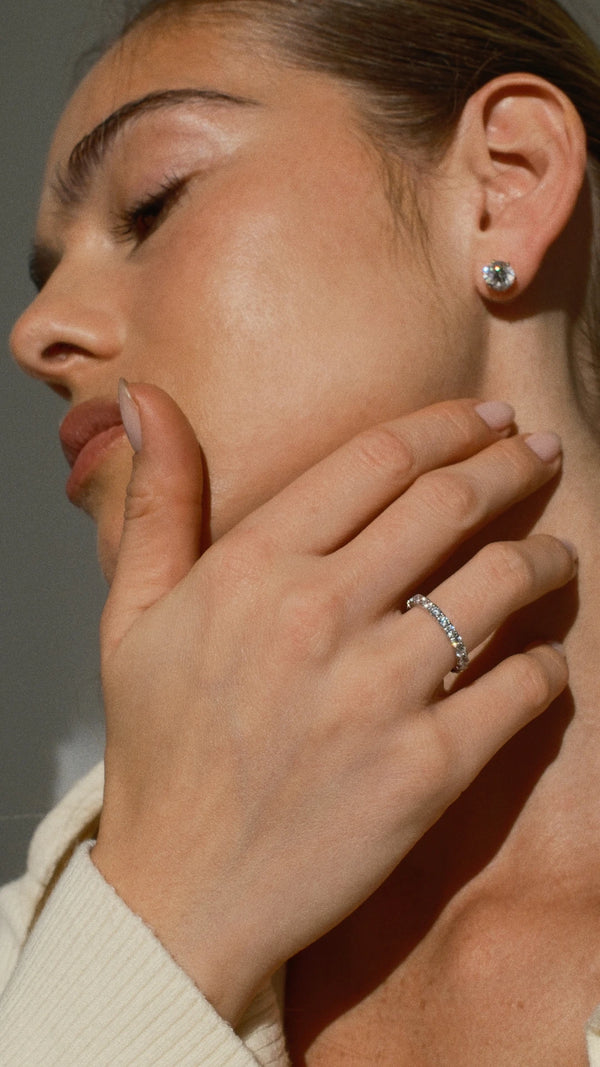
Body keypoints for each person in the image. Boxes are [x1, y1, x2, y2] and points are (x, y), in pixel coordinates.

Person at [1, 0, 600, 1061]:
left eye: (150, 203)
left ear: (505, 185)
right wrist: (160, 926)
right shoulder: (25, 963)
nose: (35, 334)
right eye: (46, 276)